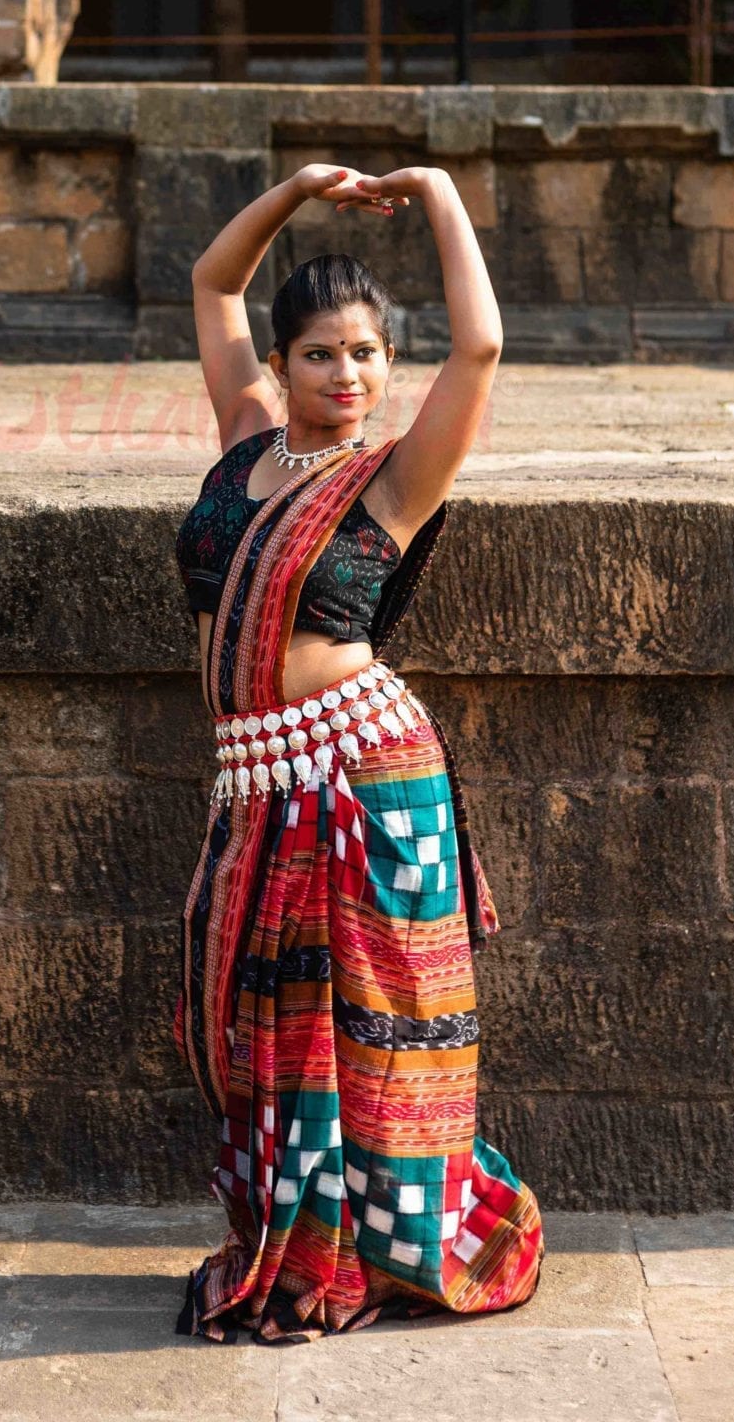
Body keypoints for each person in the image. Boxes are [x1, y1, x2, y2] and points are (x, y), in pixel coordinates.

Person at [172, 161, 543, 1343]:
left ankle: (380, 1248)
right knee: (253, 1032)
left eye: (370, 354)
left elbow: (480, 347)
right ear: (279, 368)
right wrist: (292, 190)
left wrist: (435, 190)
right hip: (255, 784)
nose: (350, 375)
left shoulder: (391, 480)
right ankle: (285, 1239)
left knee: (378, 1030)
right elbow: (212, 279)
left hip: (362, 778)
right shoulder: (244, 446)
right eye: (323, 353)